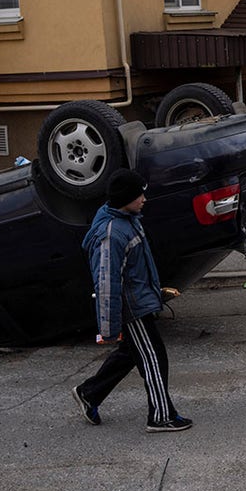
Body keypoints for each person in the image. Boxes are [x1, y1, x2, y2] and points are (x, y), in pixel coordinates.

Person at [72, 169, 192, 432]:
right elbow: (106, 284)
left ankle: (90, 393)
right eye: (139, 194)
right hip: (132, 308)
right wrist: (108, 328)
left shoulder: (127, 218)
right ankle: (161, 416)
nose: (144, 199)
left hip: (138, 300)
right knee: (153, 356)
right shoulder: (111, 233)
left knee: (130, 354)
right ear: (125, 197)